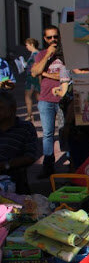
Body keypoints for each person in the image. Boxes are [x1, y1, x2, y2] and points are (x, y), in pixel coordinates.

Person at [30, 25, 65, 178]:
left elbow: (68, 76)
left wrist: (47, 74)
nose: (53, 40)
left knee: (65, 132)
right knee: (48, 134)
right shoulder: (41, 54)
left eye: (55, 37)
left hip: (64, 99)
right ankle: (48, 165)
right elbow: (35, 72)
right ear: (45, 39)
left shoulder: (65, 54)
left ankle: (71, 164)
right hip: (46, 99)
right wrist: (47, 56)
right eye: (49, 37)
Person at [0, 90, 40, 194]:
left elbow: (30, 156)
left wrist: (6, 165)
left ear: (13, 108)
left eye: (1, 108)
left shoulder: (25, 128)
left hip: (14, 179)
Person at [23, 38, 40, 122]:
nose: (26, 47)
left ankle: (30, 114)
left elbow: (35, 66)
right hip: (36, 77)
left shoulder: (35, 54)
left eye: (27, 45)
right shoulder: (36, 54)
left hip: (32, 77)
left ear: (31, 44)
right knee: (38, 96)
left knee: (28, 96)